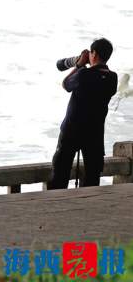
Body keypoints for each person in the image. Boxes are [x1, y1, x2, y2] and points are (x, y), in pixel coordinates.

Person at [48, 38, 118, 189]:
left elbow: (66, 84)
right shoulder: (113, 78)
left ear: (94, 54)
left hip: (71, 130)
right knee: (92, 177)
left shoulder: (83, 74)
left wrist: (79, 64)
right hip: (95, 133)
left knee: (60, 173)